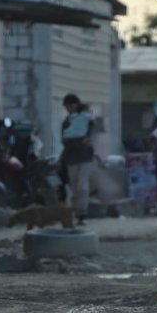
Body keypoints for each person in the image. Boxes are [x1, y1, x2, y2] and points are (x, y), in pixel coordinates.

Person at [60, 93, 94, 225]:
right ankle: (74, 212)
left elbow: (89, 136)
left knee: (82, 186)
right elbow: (64, 140)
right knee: (74, 186)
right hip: (71, 157)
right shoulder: (67, 121)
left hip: (85, 157)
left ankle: (82, 213)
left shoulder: (86, 118)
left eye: (70, 105)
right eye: (67, 106)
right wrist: (79, 141)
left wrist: (81, 141)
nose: (69, 108)